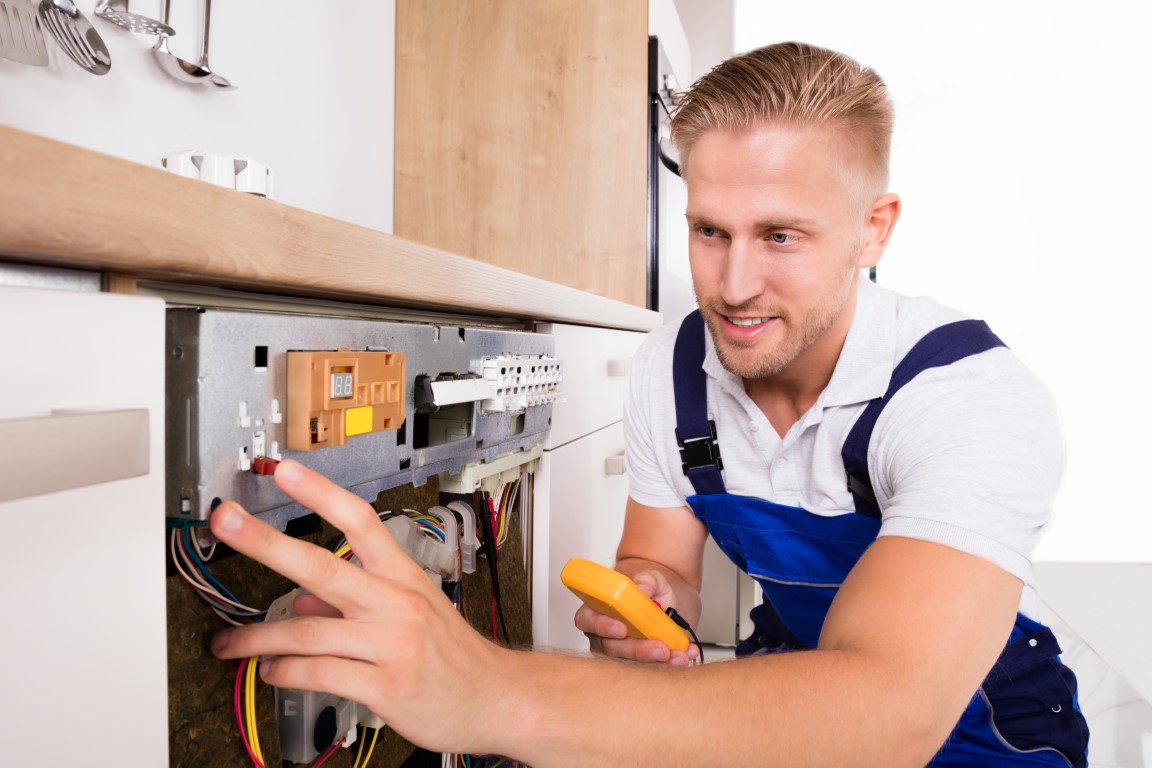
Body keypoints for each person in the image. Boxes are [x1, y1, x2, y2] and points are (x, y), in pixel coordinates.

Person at [209, 42, 1088, 767]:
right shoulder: (671, 372)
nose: (734, 287)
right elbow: (658, 563)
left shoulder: (966, 397)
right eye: (711, 231)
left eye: (780, 235)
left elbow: (887, 715)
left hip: (980, 722)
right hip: (786, 675)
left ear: (874, 229)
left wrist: (486, 688)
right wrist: (647, 602)